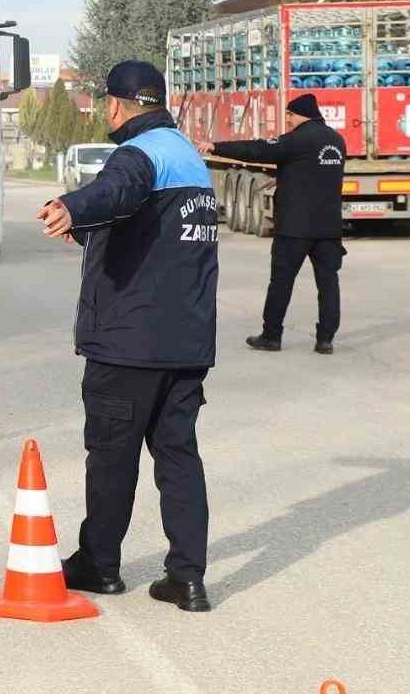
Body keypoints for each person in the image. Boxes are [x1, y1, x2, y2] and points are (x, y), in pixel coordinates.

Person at [36, 60, 218, 613]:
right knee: (179, 457)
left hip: (129, 343)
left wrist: (71, 205)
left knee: (111, 457)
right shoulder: (188, 158)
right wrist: (87, 227)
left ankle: (99, 564)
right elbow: (146, 225)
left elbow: (117, 189)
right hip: (186, 344)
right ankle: (187, 578)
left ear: (114, 105)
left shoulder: (137, 154)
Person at [196, 92, 346, 355]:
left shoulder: (296, 140)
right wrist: (286, 178)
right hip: (329, 228)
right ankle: (325, 339)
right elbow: (314, 173)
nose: (287, 121)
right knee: (328, 283)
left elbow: (257, 149)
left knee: (281, 282)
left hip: (295, 228)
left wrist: (216, 146)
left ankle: (272, 336)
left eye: (288, 115)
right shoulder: (336, 141)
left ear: (295, 114)